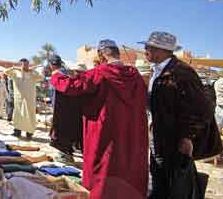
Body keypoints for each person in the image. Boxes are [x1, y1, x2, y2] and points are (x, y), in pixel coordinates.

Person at [50, 40, 148, 199]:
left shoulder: (99, 73)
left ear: (101, 56)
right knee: (127, 167)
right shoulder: (136, 76)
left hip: (105, 133)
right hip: (130, 133)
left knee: (104, 169)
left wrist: (56, 76)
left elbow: (72, 86)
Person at [140, 32, 222, 199]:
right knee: (160, 180)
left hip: (174, 140)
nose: (145, 49)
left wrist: (187, 137)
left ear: (162, 50)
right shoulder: (157, 71)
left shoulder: (182, 73)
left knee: (175, 184)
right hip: (159, 137)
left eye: (149, 47)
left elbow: (203, 108)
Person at [50, 57, 85, 156]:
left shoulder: (60, 77)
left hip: (65, 113)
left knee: (64, 133)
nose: (76, 73)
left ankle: (66, 154)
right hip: (73, 112)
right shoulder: (70, 78)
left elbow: (64, 88)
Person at [5, 58, 43, 140]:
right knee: (18, 114)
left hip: (30, 99)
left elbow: (41, 77)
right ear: (20, 64)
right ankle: (17, 132)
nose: (25, 66)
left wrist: (33, 70)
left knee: (30, 115)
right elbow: (6, 72)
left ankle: (29, 133)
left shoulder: (32, 73)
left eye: (27, 64)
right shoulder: (15, 72)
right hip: (19, 99)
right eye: (23, 64)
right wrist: (15, 68)